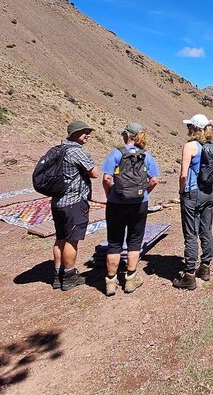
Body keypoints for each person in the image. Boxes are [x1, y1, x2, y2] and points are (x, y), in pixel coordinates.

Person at [101, 122, 160, 296]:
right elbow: (154, 180)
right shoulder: (146, 155)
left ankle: (110, 283)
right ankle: (130, 280)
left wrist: (110, 194)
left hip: (116, 203)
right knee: (135, 241)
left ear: (126, 135)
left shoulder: (116, 153)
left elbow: (106, 178)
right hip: (139, 204)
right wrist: (144, 193)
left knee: (114, 242)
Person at [51, 120, 99, 291]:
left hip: (58, 201)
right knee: (72, 240)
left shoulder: (59, 149)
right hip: (74, 201)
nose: (87, 135)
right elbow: (94, 172)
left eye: (87, 131)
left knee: (60, 238)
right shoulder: (76, 151)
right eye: (83, 132)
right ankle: (70, 276)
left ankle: (58, 275)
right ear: (73, 134)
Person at [173, 113, 213, 290]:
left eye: (189, 126)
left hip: (192, 193)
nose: (187, 129)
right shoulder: (211, 146)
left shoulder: (190, 146)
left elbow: (183, 174)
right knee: (206, 229)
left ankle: (189, 276)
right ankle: (205, 268)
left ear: (195, 128)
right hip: (209, 193)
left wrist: (181, 191)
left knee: (191, 233)